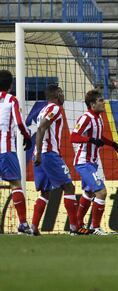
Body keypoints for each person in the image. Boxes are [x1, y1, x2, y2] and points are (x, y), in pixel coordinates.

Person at [70, 90, 118, 236]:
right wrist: (90, 140)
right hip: (83, 162)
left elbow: (98, 137)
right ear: (92, 104)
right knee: (101, 192)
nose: (103, 102)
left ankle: (76, 228)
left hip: (92, 162)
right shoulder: (86, 118)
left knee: (88, 193)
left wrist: (113, 144)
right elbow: (73, 137)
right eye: (100, 100)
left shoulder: (98, 118)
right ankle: (96, 227)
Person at [31, 85, 81, 235]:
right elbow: (41, 129)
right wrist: (40, 153)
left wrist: (37, 154)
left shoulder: (42, 110)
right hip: (48, 154)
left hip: (40, 154)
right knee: (69, 188)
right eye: (62, 93)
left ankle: (33, 227)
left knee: (45, 192)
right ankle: (74, 227)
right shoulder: (55, 108)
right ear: (57, 94)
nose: (63, 96)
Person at [0, 70, 33, 235]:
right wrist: (27, 137)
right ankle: (23, 223)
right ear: (11, 85)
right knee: (15, 184)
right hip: (6, 151)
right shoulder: (11, 100)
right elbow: (20, 122)